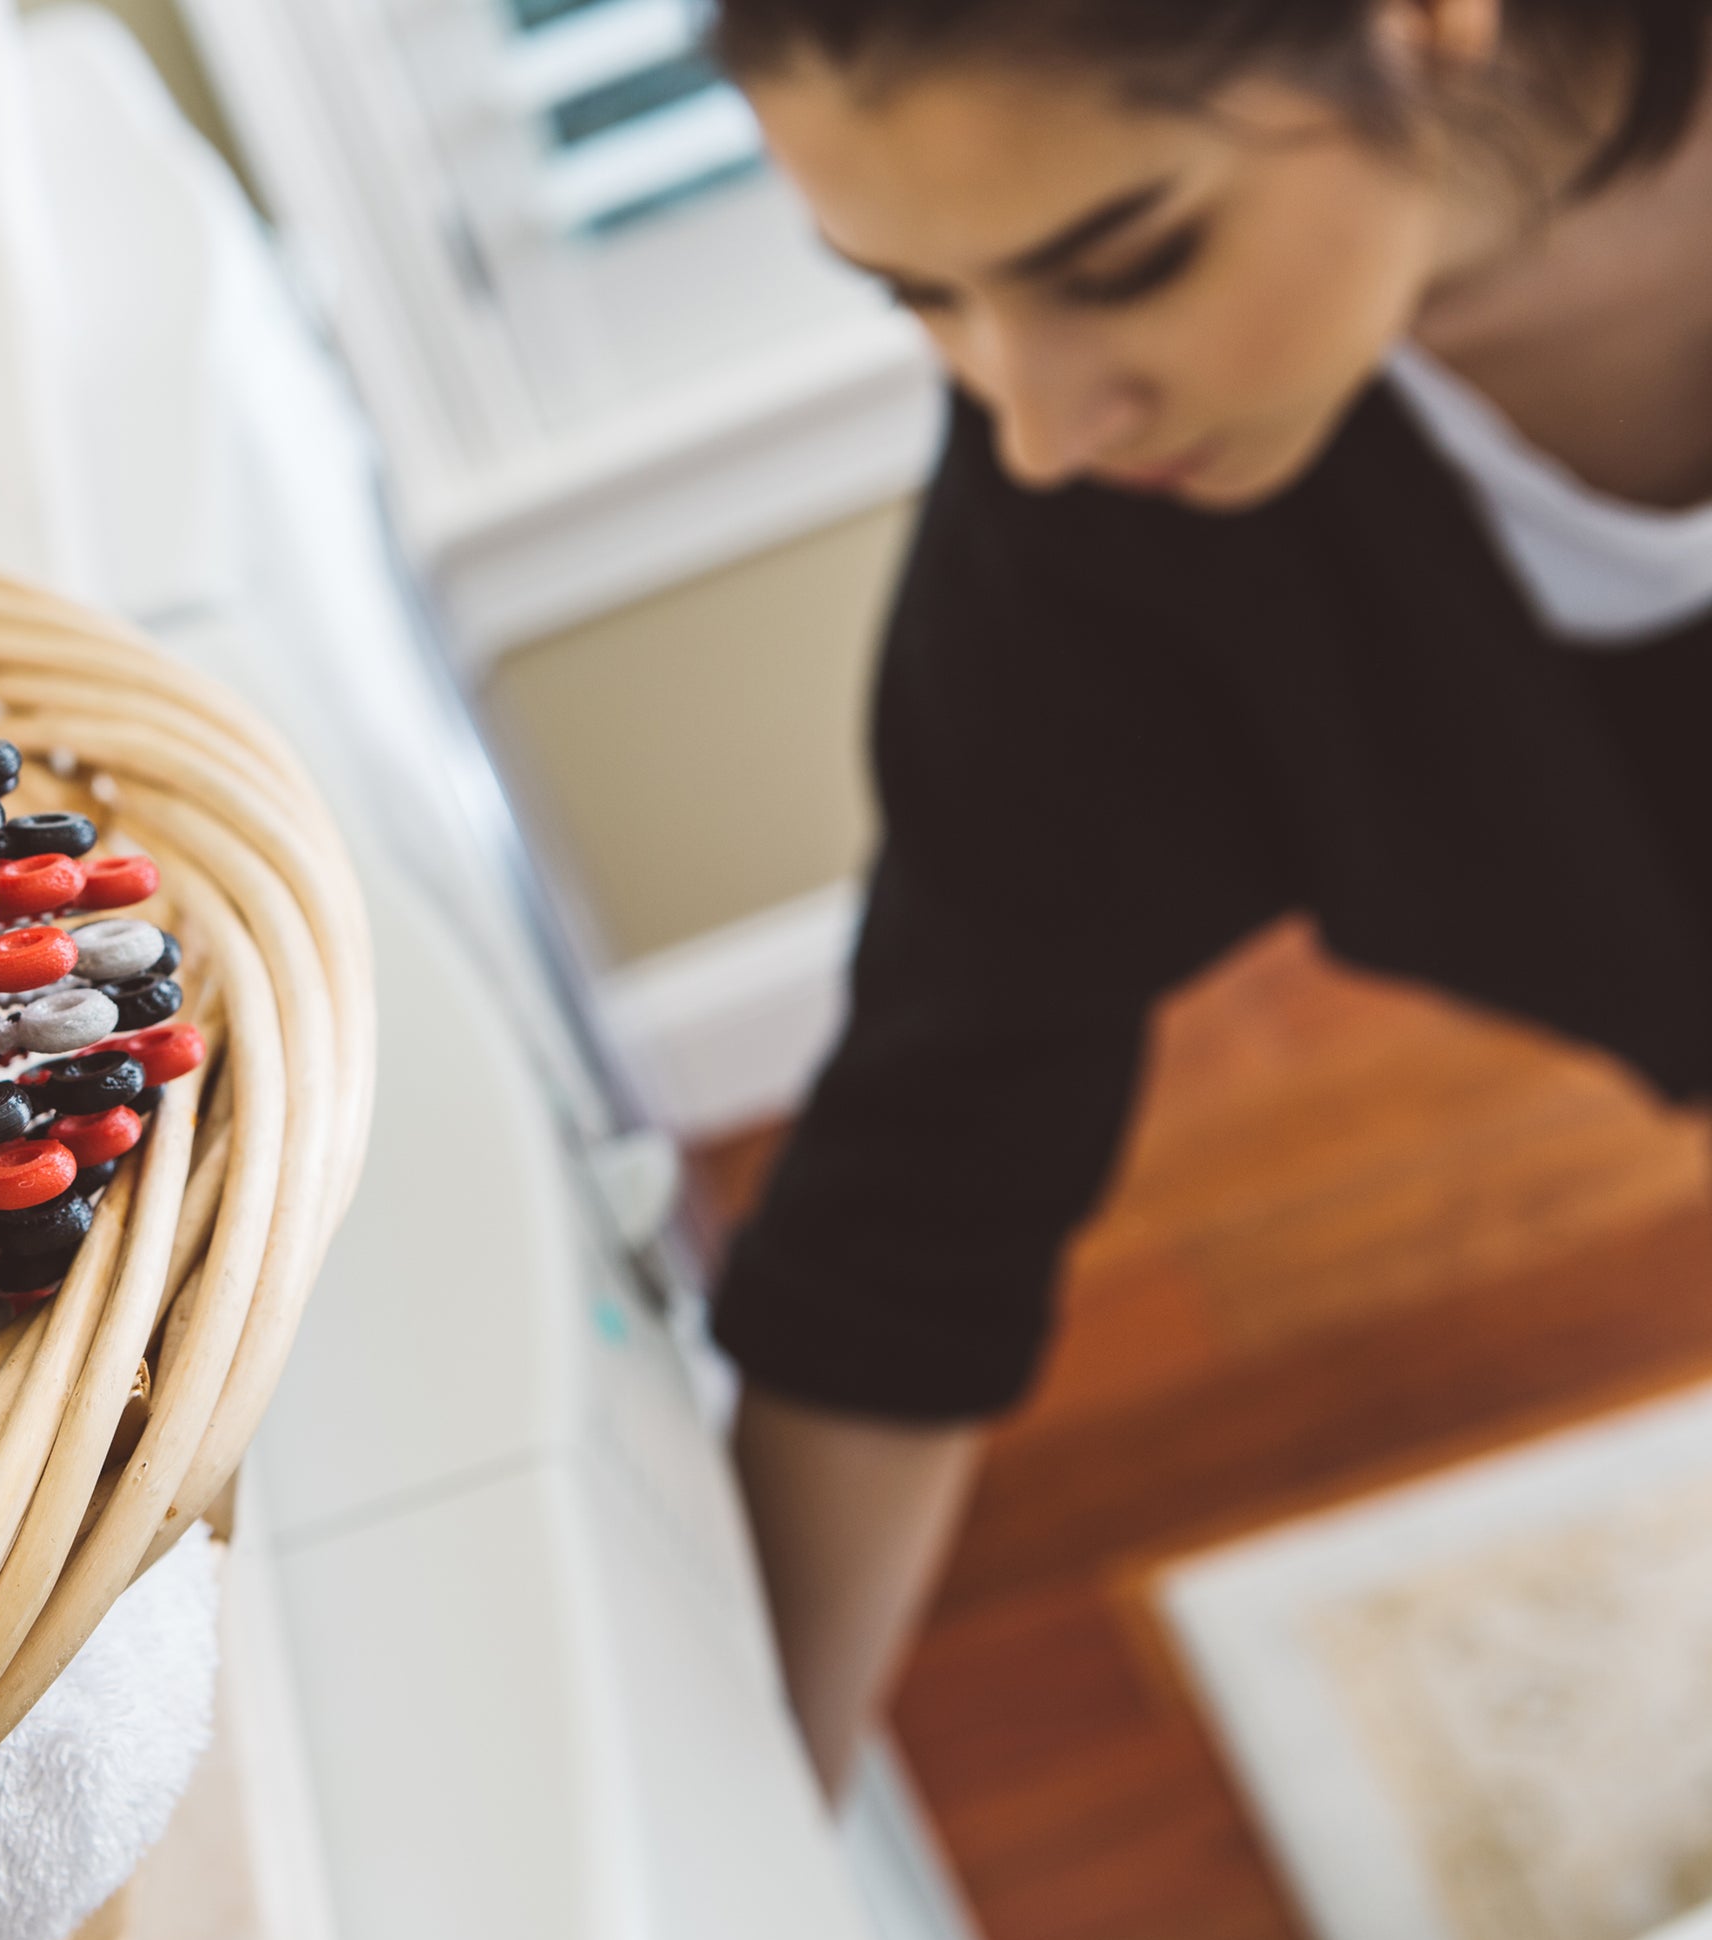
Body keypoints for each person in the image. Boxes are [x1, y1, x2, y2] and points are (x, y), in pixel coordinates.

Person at [705, 0, 1712, 1797]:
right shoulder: (1097, 554)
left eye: (1129, 258)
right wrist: (743, 1829)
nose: (1036, 422)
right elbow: (923, 1187)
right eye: (916, 296)